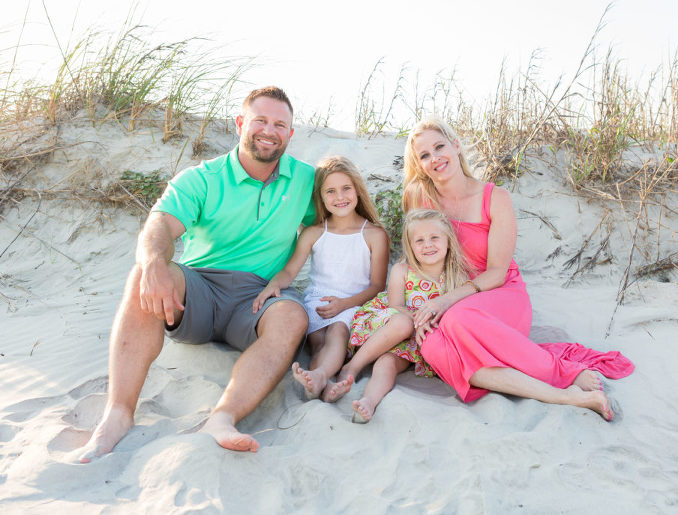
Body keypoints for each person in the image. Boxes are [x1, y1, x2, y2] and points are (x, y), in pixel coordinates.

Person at [77, 86, 315, 462]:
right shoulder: (202, 178)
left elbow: (347, 222)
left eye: (280, 124)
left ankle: (222, 418)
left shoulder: (305, 181)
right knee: (143, 274)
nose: (269, 131)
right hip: (199, 289)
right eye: (260, 120)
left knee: (293, 316)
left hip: (257, 300)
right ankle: (118, 414)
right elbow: (158, 226)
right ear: (240, 123)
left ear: (289, 133)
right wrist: (154, 262)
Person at [401, 116, 635, 421]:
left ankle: (560, 371)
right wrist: (421, 310)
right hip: (450, 301)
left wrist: (445, 301)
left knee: (457, 320)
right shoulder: (419, 197)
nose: (435, 158)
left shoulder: (494, 198)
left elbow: (497, 272)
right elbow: (415, 257)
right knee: (431, 346)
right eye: (424, 155)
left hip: (499, 294)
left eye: (439, 147)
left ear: (456, 146)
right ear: (419, 164)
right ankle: (567, 397)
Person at [252, 156, 389, 402]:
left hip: (355, 303)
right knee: (317, 341)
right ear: (322, 197)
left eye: (346, 188)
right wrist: (274, 284)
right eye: (331, 191)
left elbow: (378, 286)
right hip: (318, 299)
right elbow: (290, 271)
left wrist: (344, 304)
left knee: (337, 332)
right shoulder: (314, 232)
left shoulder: (374, 234)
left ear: (357, 189)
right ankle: (321, 384)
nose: (340, 197)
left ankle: (320, 375)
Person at [330, 209, 471, 423]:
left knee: (387, 364)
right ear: (411, 245)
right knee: (404, 323)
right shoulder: (402, 270)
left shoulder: (456, 278)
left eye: (434, 238)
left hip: (413, 342)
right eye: (420, 240)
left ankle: (368, 401)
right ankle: (352, 367)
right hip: (390, 323)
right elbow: (396, 306)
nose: (428, 245)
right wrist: (419, 320)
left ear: (448, 241)